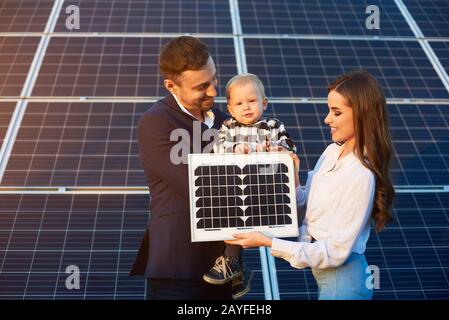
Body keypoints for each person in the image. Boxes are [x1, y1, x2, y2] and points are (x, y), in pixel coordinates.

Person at [225, 70, 395, 300]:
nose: (327, 119)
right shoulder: (332, 152)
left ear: (362, 115)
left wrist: (268, 241)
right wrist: (290, 171)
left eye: (336, 112)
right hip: (327, 277)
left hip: (344, 283)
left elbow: (335, 252)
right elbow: (306, 207)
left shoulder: (361, 174)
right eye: (328, 110)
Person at [129, 36, 232, 299]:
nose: (213, 91)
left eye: (214, 79)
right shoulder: (155, 123)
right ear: (171, 86)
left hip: (222, 268)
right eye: (202, 86)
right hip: (176, 270)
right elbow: (197, 186)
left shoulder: (226, 122)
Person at [203, 73, 297, 298]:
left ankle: (236, 268)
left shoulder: (273, 126)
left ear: (264, 103)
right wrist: (234, 150)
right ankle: (236, 271)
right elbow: (219, 148)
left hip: (266, 186)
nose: (246, 107)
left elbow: (288, 148)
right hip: (239, 187)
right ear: (230, 108)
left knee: (264, 226)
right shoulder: (228, 127)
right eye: (239, 103)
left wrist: (275, 150)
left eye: (252, 101)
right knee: (232, 221)